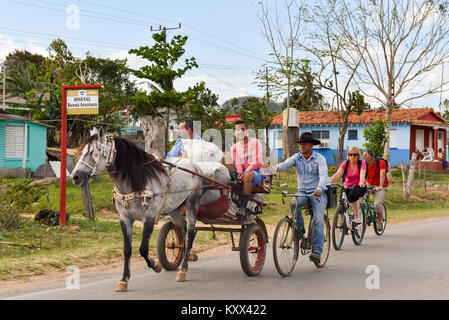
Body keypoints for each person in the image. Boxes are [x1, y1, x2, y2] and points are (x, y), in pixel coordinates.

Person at [272, 132, 328, 265]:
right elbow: (284, 165)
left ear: (311, 145)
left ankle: (317, 251)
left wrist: (320, 189)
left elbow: (324, 175)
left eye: (305, 144)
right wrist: (271, 169)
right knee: (293, 204)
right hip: (302, 192)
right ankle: (300, 230)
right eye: (301, 144)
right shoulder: (297, 158)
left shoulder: (319, 159)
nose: (302, 146)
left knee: (318, 222)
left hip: (317, 193)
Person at [230, 120, 263, 217]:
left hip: (255, 172)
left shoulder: (255, 142)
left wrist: (246, 172)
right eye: (237, 130)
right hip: (242, 172)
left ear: (246, 130)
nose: (240, 132)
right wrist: (240, 172)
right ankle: (236, 181)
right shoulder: (234, 147)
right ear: (235, 132)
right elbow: (237, 162)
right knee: (227, 163)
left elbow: (257, 162)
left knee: (247, 175)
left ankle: (243, 208)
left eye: (242, 129)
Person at [330, 146, 366, 224]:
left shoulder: (361, 164)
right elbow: (338, 174)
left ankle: (356, 217)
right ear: (348, 155)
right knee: (340, 202)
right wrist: (329, 181)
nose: (352, 156)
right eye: (351, 154)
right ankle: (342, 222)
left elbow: (362, 175)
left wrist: (361, 182)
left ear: (358, 156)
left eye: (355, 155)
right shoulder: (345, 163)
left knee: (353, 196)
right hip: (347, 186)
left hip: (359, 186)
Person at [362, 149, 388, 230]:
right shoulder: (364, 164)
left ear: (370, 156)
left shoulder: (381, 163)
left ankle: (379, 220)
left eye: (365, 155)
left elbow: (382, 174)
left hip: (381, 185)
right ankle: (365, 212)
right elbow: (361, 175)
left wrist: (380, 186)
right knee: (362, 199)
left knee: (377, 204)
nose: (363, 157)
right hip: (369, 183)